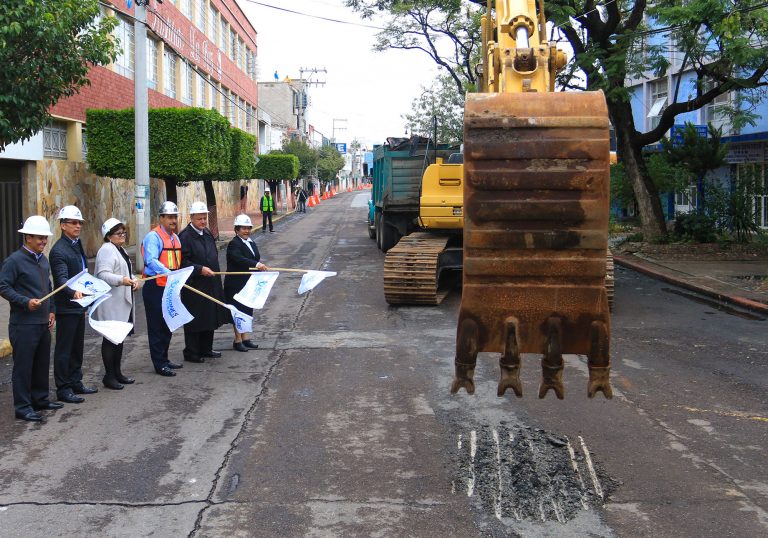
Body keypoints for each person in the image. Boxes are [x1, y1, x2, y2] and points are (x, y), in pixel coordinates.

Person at [0, 216, 60, 422]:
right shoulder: (14, 261)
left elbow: (49, 288)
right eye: (40, 238)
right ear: (27, 237)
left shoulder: (42, 260)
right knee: (23, 366)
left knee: (42, 363)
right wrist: (25, 302)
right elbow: (3, 287)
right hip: (23, 324)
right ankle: (23, 406)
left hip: (42, 322)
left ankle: (40, 398)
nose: (44, 241)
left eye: (45, 238)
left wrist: (51, 310)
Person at [50, 205, 98, 404]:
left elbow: (83, 271)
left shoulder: (76, 244)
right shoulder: (58, 251)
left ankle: (75, 381)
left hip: (79, 305)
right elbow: (61, 279)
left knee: (77, 347)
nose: (78, 226)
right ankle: (64, 388)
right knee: (65, 348)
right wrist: (73, 292)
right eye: (73, 223)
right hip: (67, 306)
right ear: (63, 225)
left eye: (79, 223)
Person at [179, 201, 229, 363]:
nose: (202, 221)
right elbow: (183, 263)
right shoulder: (185, 236)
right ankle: (192, 352)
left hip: (211, 283)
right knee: (195, 319)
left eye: (204, 218)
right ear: (192, 218)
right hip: (195, 285)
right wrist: (199, 269)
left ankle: (206, 348)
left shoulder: (207, 233)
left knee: (210, 316)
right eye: (199, 218)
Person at [93, 218, 139, 390]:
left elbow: (127, 271)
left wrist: (133, 280)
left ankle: (118, 372)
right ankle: (109, 376)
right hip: (111, 302)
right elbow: (103, 274)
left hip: (121, 301)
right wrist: (122, 280)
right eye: (118, 234)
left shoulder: (120, 250)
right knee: (111, 339)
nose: (122, 236)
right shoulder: (106, 250)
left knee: (119, 339)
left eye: (123, 233)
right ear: (108, 236)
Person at [142, 201, 184, 377]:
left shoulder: (175, 237)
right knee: (157, 326)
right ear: (161, 218)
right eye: (169, 217)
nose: (173, 220)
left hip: (170, 286)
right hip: (155, 287)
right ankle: (159, 363)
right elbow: (151, 260)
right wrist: (168, 273)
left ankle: (165, 359)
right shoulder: (154, 237)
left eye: (175, 217)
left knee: (168, 324)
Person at [224, 214, 268, 352]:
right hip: (235, 284)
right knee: (237, 312)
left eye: (248, 228)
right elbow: (238, 259)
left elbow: (255, 258)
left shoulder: (251, 242)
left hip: (248, 283)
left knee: (247, 310)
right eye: (243, 228)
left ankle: (246, 338)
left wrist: (259, 268)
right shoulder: (234, 244)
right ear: (236, 229)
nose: (246, 231)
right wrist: (256, 264)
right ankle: (237, 340)